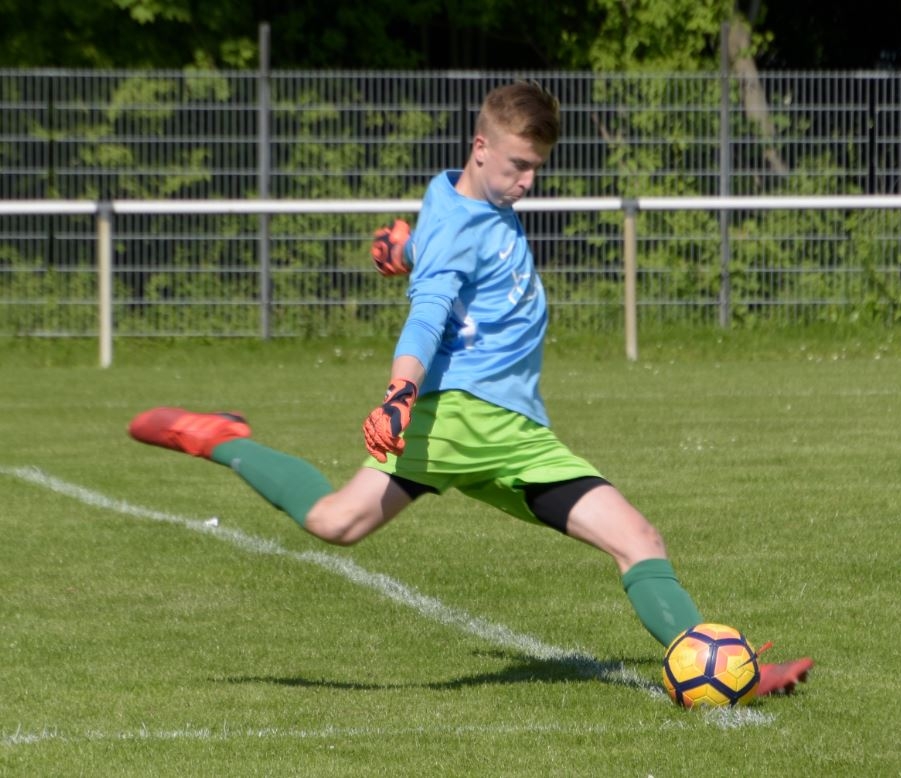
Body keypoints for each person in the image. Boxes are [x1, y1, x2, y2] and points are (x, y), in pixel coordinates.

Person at [128, 81, 811, 697]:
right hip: (460, 421)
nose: (528, 182)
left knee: (634, 536)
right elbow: (427, 315)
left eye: (537, 168)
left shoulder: (453, 196)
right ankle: (221, 439)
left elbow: (439, 251)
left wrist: (406, 251)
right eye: (518, 165)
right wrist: (399, 392)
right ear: (481, 148)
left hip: (506, 431)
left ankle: (726, 670)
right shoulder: (462, 224)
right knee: (339, 523)